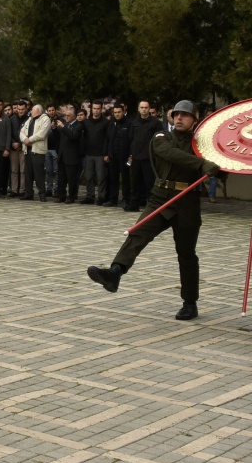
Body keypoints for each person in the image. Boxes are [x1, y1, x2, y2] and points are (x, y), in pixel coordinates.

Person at [86, 101, 220, 320]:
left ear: (195, 120)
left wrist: (220, 167)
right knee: (138, 232)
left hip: (187, 201)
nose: (179, 118)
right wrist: (201, 163)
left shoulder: (204, 144)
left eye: (185, 116)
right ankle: (115, 272)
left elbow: (219, 166)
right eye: (176, 114)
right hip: (160, 197)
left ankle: (190, 302)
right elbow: (168, 153)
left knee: (186, 254)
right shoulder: (162, 137)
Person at [19, 104, 51, 200]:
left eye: (32, 110)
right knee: (28, 173)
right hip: (27, 150)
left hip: (38, 150)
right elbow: (21, 131)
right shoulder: (30, 119)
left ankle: (42, 194)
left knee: (39, 173)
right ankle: (29, 193)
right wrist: (25, 139)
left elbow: (42, 134)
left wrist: (30, 139)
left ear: (38, 111)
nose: (30, 112)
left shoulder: (45, 119)